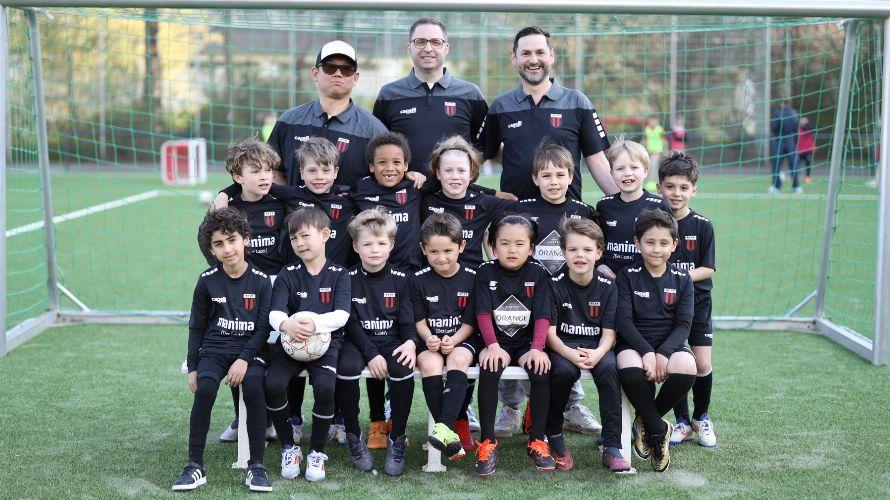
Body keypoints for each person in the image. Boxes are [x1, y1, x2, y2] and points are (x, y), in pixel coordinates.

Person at [498, 141, 601, 439]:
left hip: (569, 297)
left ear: (571, 176)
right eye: (546, 175)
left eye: (559, 175)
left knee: (568, 346)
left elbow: (594, 248)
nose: (553, 182)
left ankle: (572, 406)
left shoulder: (583, 211)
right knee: (514, 342)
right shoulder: (522, 210)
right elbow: (501, 243)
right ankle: (510, 407)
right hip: (526, 296)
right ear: (535, 179)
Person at [173, 208, 273, 492]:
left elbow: (263, 329)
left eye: (232, 240)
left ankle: (256, 466)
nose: (227, 249)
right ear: (211, 250)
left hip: (250, 350)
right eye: (219, 243)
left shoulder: (261, 280)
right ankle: (194, 465)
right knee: (205, 388)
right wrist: (193, 367)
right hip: (215, 350)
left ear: (246, 239)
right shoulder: (207, 280)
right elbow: (196, 327)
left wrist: (243, 359)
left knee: (253, 387)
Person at [203, 139, 285, 444]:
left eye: (268, 170)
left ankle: (277, 417)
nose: (264, 176)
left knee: (274, 353)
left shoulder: (280, 199)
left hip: (277, 287)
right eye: (256, 171)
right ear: (238, 177)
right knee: (239, 348)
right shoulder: (229, 207)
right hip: (242, 287)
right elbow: (208, 241)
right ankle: (243, 417)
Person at [264, 207, 351, 482]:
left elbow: (342, 315)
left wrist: (314, 324)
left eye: (305, 236)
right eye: (294, 238)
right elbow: (275, 312)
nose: (299, 243)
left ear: (324, 235)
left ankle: (316, 452)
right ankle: (289, 447)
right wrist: (286, 325)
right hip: (291, 344)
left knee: (326, 388)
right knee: (272, 384)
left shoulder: (339, 274)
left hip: (326, 344)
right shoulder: (287, 273)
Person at [484, 25, 617, 201]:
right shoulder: (501, 107)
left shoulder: (577, 102)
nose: (533, 60)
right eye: (526, 53)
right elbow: (488, 151)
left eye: (540, 52)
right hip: (516, 212)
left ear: (551, 55)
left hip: (566, 212)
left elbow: (597, 160)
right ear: (514, 57)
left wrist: (624, 204)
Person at [545, 218, 631, 473]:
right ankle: (554, 436)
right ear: (563, 252)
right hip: (563, 345)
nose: (580, 255)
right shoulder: (553, 284)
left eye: (587, 249)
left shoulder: (608, 287)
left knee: (609, 370)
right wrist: (569, 353)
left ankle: (612, 446)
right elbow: (550, 334)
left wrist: (599, 353)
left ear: (599, 253)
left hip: (597, 346)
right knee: (562, 371)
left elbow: (609, 333)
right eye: (573, 249)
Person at [336, 208, 417, 477]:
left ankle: (397, 439)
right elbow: (350, 323)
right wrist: (371, 353)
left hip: (392, 341)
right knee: (346, 366)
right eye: (367, 244)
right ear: (355, 246)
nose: (374, 250)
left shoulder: (402, 279)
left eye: (381, 243)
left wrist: (410, 342)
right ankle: (353, 435)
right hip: (357, 342)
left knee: (403, 367)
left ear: (391, 245)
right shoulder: (346, 278)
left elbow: (407, 320)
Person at [616, 208, 697, 473]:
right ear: (637, 243)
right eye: (649, 242)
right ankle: (659, 428)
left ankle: (645, 420)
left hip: (668, 346)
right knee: (628, 363)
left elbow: (684, 324)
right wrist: (646, 351)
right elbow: (623, 321)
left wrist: (663, 353)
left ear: (674, 245)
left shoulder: (682, 279)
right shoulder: (627, 276)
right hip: (634, 344)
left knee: (687, 366)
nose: (656, 249)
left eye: (663, 243)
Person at [473, 213, 555, 476]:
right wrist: (492, 345)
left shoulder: (538, 273)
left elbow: (543, 315)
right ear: (493, 247)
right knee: (490, 366)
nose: (512, 249)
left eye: (520, 244)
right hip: (496, 341)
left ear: (531, 248)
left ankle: (537, 439)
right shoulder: (485, 272)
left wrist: (537, 348)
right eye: (504, 243)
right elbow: (482, 313)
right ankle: (487, 441)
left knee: (541, 370)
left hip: (526, 342)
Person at [265, 40, 387, 189]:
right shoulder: (289, 121)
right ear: (315, 73)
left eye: (346, 70)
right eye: (330, 68)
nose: (338, 74)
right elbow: (273, 170)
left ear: (355, 78)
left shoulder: (374, 130)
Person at [373, 18, 488, 176]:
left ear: (446, 48)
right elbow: (379, 147)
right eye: (420, 42)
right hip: (405, 189)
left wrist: (463, 172)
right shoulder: (388, 94)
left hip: (454, 191)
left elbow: (484, 145)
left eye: (436, 42)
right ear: (409, 47)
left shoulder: (471, 94)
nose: (428, 48)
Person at [657, 152, 718, 448]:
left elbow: (708, 268)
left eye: (683, 187)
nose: (676, 193)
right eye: (670, 186)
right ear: (659, 187)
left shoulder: (703, 225)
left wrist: (677, 278)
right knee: (677, 362)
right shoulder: (656, 224)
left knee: (702, 363)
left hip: (698, 303)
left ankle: (701, 417)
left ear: (694, 190)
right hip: (666, 306)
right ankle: (681, 422)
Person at [412, 213, 479, 461]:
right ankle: (449, 434)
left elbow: (471, 322)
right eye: (434, 252)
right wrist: (429, 337)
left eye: (448, 251)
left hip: (462, 339)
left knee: (458, 359)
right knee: (429, 362)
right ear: (423, 249)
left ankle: (445, 426)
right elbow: (419, 321)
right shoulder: (417, 280)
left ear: (461, 246)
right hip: (431, 340)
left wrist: (454, 339)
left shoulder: (473, 277)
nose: (441, 258)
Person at [595, 136, 672, 279]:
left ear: (646, 170)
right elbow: (597, 243)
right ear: (611, 173)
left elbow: (671, 246)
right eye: (620, 168)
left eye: (634, 167)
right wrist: (599, 264)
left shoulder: (658, 205)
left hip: (645, 282)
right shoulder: (604, 206)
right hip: (611, 282)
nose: (627, 173)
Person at [350, 132, 424, 272]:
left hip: (409, 271)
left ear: (406, 166)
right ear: (371, 166)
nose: (390, 168)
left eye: (396, 162)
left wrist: (420, 176)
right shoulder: (361, 188)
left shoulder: (415, 186)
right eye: (382, 162)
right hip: (372, 270)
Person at [770, 101, 802, 193]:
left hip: (779, 141)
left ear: (781, 103)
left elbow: (774, 127)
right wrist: (795, 142)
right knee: (793, 165)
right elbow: (796, 129)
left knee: (776, 165)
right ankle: (796, 187)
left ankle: (776, 187)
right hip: (790, 141)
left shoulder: (777, 113)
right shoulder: (794, 113)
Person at [643, 117, 666, 192]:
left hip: (657, 152)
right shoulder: (647, 129)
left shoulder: (660, 129)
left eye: (654, 121)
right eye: (651, 121)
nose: (652, 122)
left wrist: (665, 150)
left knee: (653, 166)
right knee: (649, 166)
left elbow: (664, 140)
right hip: (649, 152)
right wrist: (645, 150)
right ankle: (651, 182)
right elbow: (645, 140)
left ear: (657, 121)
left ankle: (654, 182)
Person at [797, 116, 815, 184]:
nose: (802, 121)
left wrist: (806, 123)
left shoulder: (809, 128)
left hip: (808, 150)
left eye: (804, 120)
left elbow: (812, 129)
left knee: (808, 164)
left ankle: (808, 178)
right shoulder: (798, 129)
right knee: (796, 165)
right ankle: (794, 177)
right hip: (800, 150)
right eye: (802, 120)